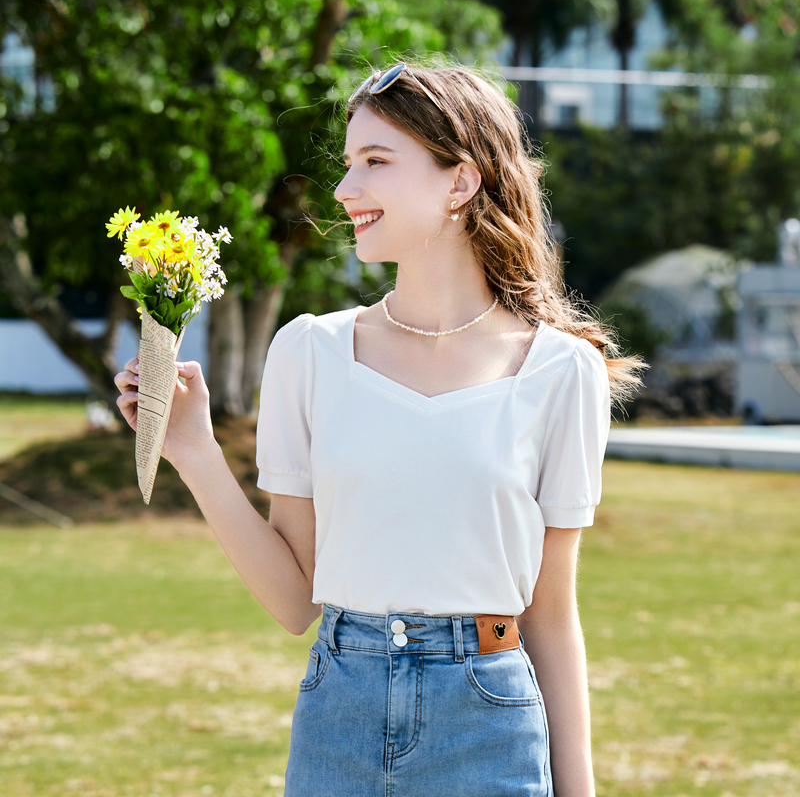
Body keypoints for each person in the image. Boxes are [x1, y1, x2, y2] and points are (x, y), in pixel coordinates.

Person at [115, 61, 642, 797]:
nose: (342, 189)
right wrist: (195, 451)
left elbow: (551, 618)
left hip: (492, 729)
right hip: (339, 718)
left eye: (375, 162)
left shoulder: (560, 372)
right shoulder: (309, 350)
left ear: (459, 181)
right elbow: (295, 601)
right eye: (348, 162)